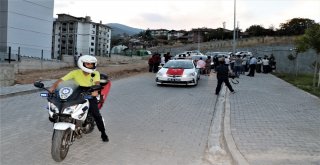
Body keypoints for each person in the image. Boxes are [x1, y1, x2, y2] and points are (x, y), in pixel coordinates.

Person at [49, 55, 109, 142]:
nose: (90, 66)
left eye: (91, 64)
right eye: (88, 64)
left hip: (90, 92)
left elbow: (96, 83)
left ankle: (103, 133)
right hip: (77, 91)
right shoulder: (75, 72)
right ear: (82, 64)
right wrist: (53, 87)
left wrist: (95, 91)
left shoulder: (95, 73)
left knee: (96, 114)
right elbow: (61, 80)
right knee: (62, 105)